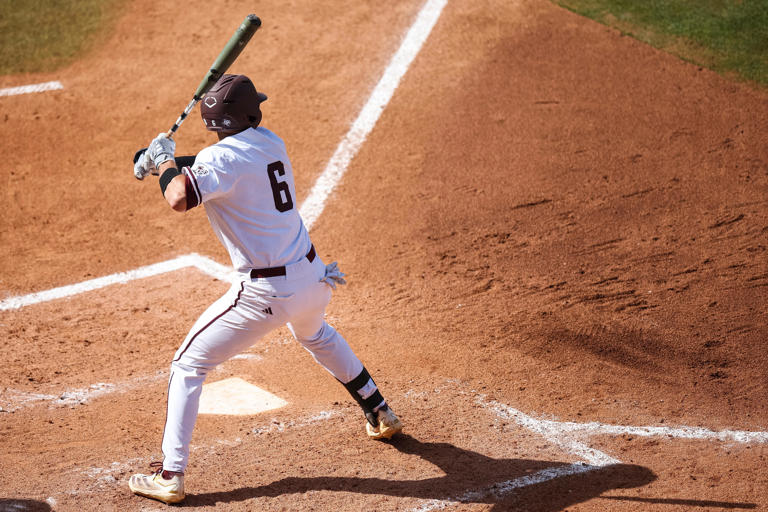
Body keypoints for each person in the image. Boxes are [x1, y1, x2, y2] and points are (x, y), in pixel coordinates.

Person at [128, 74, 403, 504]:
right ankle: (378, 410)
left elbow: (180, 197)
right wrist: (159, 159)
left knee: (187, 365)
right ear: (246, 117)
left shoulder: (220, 162)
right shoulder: (269, 142)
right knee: (316, 334)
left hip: (266, 294)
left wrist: (165, 163)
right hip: (313, 279)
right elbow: (209, 163)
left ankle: (170, 474)